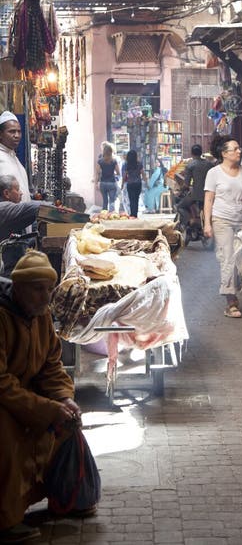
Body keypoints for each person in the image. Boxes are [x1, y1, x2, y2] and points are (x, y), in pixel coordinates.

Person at [0, 251, 96, 543]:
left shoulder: (41, 317)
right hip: (4, 397)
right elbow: (1, 382)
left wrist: (64, 398)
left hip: (26, 393)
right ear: (18, 288)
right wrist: (44, 408)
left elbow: (51, 365)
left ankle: (65, 497)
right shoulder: (3, 317)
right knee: (7, 433)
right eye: (37, 289)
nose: (45, 296)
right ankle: (6, 520)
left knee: (67, 422)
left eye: (48, 289)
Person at [203, 136, 242, 319]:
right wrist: (207, 223)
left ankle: (234, 288)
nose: (239, 151)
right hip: (221, 220)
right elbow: (209, 199)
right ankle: (231, 302)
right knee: (228, 258)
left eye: (239, 148)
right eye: (235, 149)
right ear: (224, 153)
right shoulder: (214, 173)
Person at [177, 145, 212, 229]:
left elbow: (186, 184)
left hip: (196, 194)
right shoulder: (209, 164)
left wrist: (180, 191)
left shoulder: (190, 165)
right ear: (201, 152)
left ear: (191, 153)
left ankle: (190, 221)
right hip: (209, 194)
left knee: (180, 206)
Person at [0, 112, 31, 204]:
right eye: (12, 131)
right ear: (0, 134)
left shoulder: (14, 158)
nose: (17, 135)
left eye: (19, 131)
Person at [95, 142, 120, 212]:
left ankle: (104, 215)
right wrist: (113, 172)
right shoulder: (114, 161)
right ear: (111, 152)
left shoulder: (100, 161)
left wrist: (96, 184)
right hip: (112, 183)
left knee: (105, 201)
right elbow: (118, 172)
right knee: (112, 201)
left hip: (103, 183)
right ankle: (112, 215)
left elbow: (97, 173)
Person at [121, 150, 146, 218]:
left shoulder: (127, 164)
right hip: (138, 183)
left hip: (130, 183)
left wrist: (122, 184)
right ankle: (135, 214)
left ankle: (132, 214)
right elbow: (143, 173)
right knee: (136, 199)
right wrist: (146, 182)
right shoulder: (139, 164)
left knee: (131, 199)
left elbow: (124, 175)